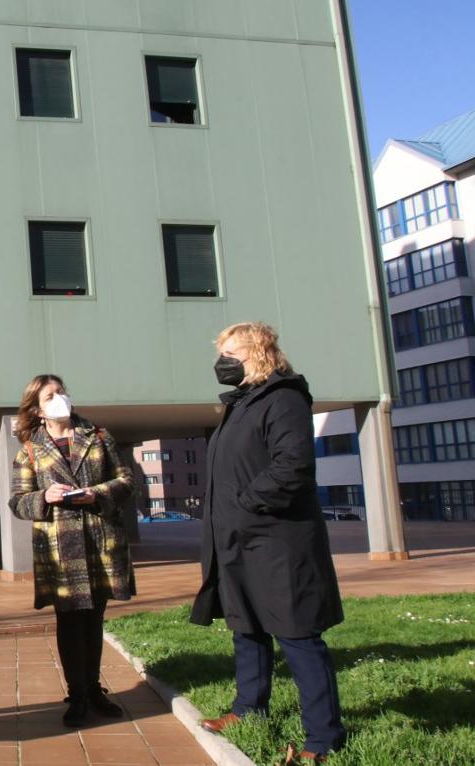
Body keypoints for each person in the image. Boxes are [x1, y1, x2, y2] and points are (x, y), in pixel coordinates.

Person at [191, 322, 346, 764]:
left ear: (259, 352)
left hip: (279, 541)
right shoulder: (241, 404)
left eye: (230, 352)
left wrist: (245, 504)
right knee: (247, 629)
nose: (222, 362)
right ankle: (248, 710)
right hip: (238, 541)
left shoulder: (284, 398)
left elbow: (292, 465)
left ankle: (323, 738)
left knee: (297, 636)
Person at [7, 374, 135, 728]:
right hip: (60, 548)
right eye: (51, 395)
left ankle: (94, 688)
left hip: (100, 542)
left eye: (62, 391)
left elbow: (126, 480)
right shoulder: (29, 449)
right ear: (37, 408)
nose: (60, 398)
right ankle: (76, 693)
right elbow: (17, 501)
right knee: (69, 621)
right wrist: (43, 497)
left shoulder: (98, 436)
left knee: (94, 619)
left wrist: (98, 494)